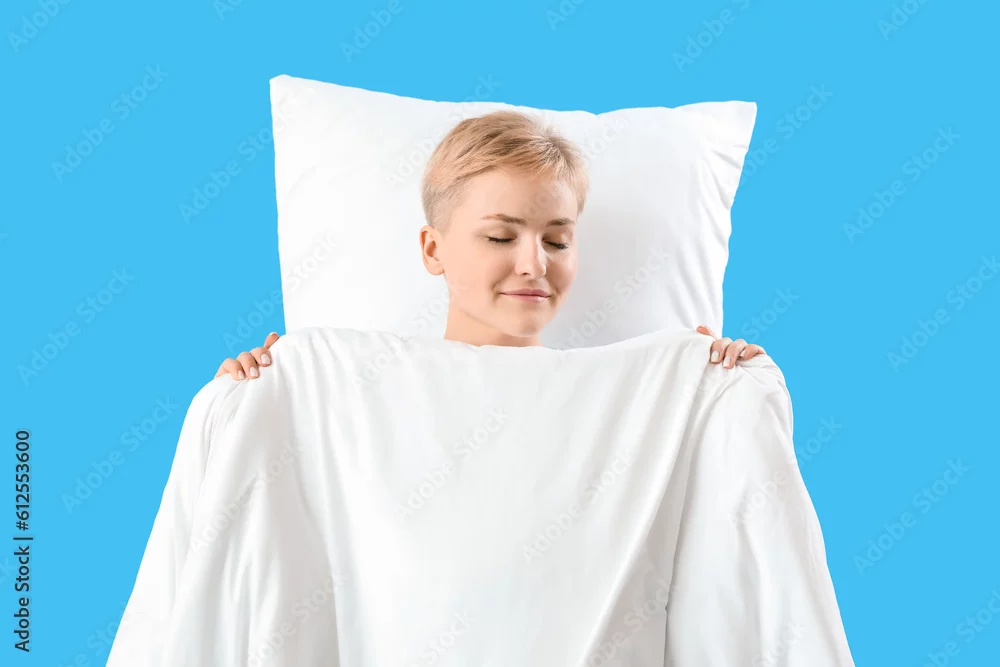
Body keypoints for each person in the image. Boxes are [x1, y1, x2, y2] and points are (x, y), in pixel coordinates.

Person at [216, 110, 765, 381]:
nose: (534, 264)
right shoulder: (365, 390)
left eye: (557, 241)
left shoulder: (618, 394)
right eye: (501, 236)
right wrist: (244, 400)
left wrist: (722, 387)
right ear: (433, 250)